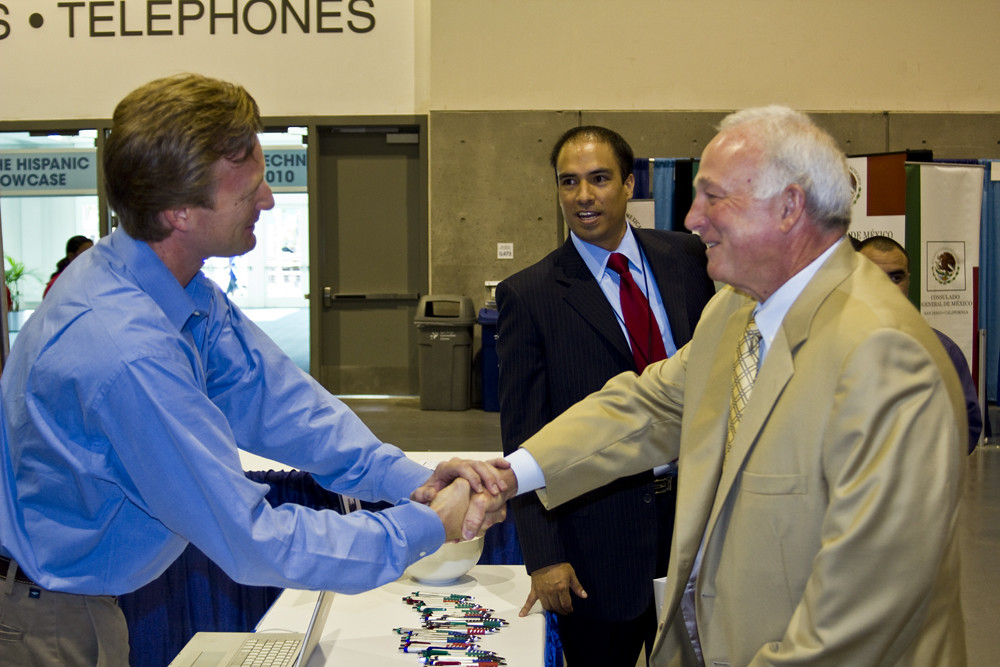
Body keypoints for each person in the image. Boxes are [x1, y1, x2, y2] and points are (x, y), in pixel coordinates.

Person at [0, 73, 505, 666]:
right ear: (180, 211)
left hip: (70, 600)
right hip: (45, 619)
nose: (268, 200)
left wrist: (406, 479)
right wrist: (424, 527)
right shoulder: (124, 351)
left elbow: (279, 403)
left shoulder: (165, 284)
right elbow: (251, 539)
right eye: (251, 190)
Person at [451, 105, 968, 665]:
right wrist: (508, 477)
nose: (693, 219)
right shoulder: (735, 312)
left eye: (715, 197)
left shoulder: (884, 353)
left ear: (790, 207)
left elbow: (864, 608)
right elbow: (647, 407)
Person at [496, 125, 714, 666]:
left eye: (598, 179)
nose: (583, 196)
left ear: (628, 183)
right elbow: (524, 433)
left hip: (697, 524)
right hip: (599, 544)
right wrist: (544, 558)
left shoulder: (688, 260)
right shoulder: (531, 294)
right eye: (569, 182)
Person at [858, 234, 982, 452]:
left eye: (896, 278)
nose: (887, 287)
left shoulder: (942, 352)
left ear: (909, 280)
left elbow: (966, 427)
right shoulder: (826, 346)